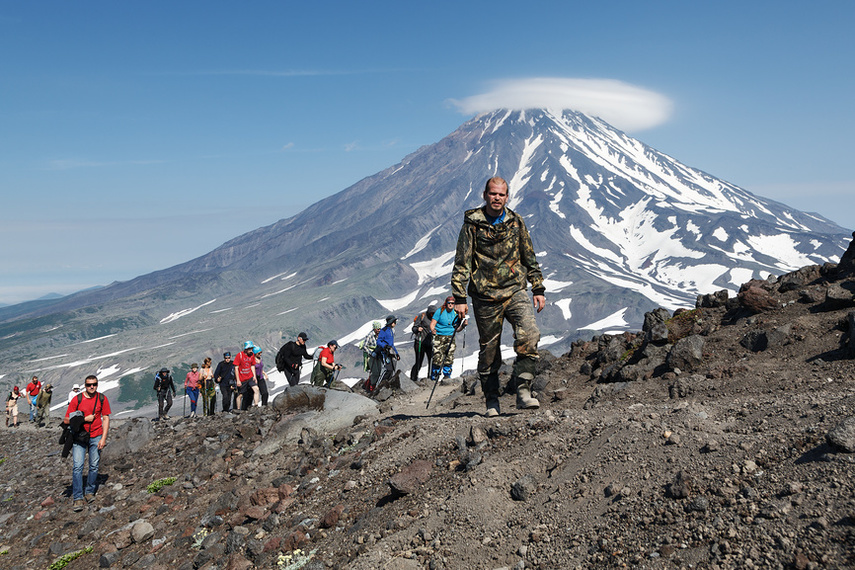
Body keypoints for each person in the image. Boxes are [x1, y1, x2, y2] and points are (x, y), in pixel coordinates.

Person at [451, 176, 546, 417]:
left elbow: (529, 254)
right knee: (489, 351)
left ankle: (523, 392)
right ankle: (492, 400)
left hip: (515, 290)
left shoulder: (516, 222)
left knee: (530, 334)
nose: (497, 198)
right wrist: (459, 298)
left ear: (507, 196)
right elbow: (462, 262)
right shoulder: (472, 225)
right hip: (485, 296)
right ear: (485, 195)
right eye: (493, 193)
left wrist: (537, 288)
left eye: (501, 194)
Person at [64, 374, 111, 511]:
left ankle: (89, 492)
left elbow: (106, 418)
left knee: (94, 465)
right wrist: (84, 419)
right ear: (85, 385)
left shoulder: (102, 398)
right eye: (89, 384)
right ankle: (78, 497)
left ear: (97, 384)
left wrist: (103, 438)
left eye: (94, 384)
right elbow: (66, 420)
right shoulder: (77, 399)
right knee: (78, 466)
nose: (92, 387)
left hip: (96, 435)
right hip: (79, 437)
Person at [430, 296, 467, 383]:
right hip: (439, 336)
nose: (450, 305)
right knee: (437, 356)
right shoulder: (440, 311)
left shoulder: (455, 313)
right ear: (446, 303)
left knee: (449, 356)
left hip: (450, 337)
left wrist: (463, 326)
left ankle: (447, 376)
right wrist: (432, 330)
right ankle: (434, 377)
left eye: (452, 303)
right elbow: (433, 323)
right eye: (449, 303)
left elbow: (457, 329)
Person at [411, 304, 437, 382]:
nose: (432, 315)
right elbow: (414, 328)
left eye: (434, 313)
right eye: (431, 313)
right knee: (419, 361)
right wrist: (417, 329)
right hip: (420, 342)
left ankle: (430, 378)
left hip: (430, 343)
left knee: (431, 361)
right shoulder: (422, 316)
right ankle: (413, 379)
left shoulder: (436, 319)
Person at [374, 315, 400, 389]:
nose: (395, 323)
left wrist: (397, 353)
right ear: (391, 322)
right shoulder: (384, 330)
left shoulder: (391, 331)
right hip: (385, 353)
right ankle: (379, 386)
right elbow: (378, 341)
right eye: (394, 321)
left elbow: (392, 344)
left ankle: (386, 386)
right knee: (388, 369)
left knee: (391, 370)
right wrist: (385, 346)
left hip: (391, 352)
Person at [233, 341, 257, 410]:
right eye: (249, 348)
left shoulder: (252, 355)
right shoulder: (239, 355)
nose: (251, 350)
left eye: (251, 348)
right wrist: (238, 380)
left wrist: (254, 376)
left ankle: (256, 405)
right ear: (246, 349)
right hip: (242, 378)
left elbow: (252, 365)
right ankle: (238, 409)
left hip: (249, 377)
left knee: (256, 389)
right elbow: (236, 368)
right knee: (240, 394)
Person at [359, 322, 381, 390]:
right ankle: (371, 386)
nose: (379, 330)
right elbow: (365, 346)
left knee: (379, 371)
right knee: (375, 372)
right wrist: (371, 353)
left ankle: (372, 384)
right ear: (374, 328)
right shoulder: (370, 335)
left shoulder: (379, 335)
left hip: (378, 354)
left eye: (380, 329)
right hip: (371, 356)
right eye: (377, 329)